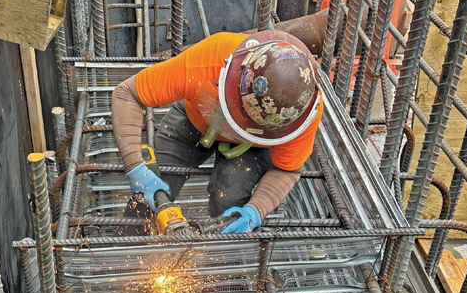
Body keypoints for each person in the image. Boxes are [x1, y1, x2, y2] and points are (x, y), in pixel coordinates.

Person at [111, 29, 323, 233]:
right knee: (152, 193)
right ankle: (127, 245)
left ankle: (222, 258)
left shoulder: (303, 112)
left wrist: (256, 210)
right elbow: (127, 93)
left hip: (251, 147)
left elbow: (287, 169)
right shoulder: (209, 59)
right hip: (195, 119)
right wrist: (136, 167)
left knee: (229, 206)